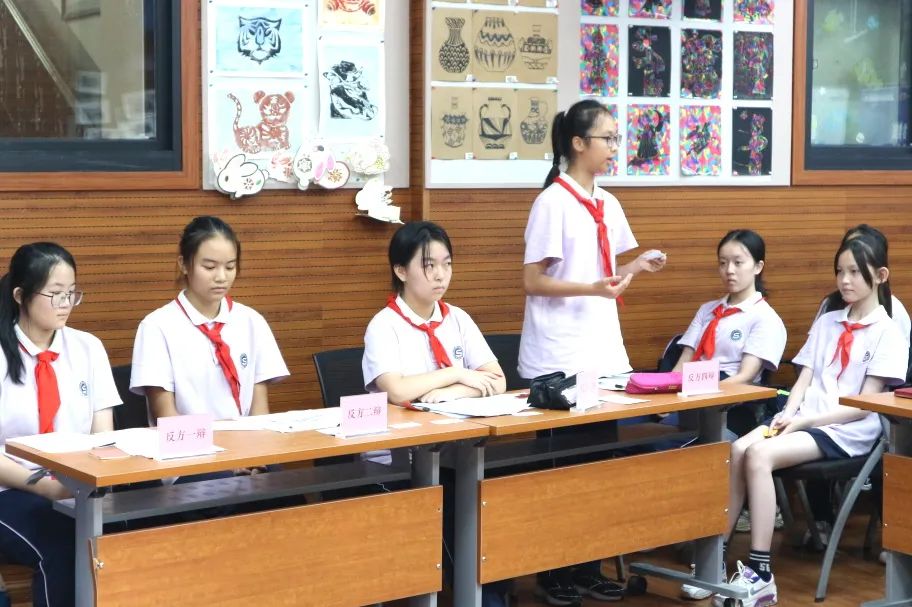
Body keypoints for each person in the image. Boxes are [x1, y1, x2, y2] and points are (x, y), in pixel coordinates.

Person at [519, 98, 666, 605]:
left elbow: (607, 278)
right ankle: (552, 571)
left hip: (601, 351)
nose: (614, 147)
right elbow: (533, 280)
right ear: (578, 143)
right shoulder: (552, 202)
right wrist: (592, 288)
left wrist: (636, 268)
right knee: (560, 468)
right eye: (607, 138)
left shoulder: (608, 202)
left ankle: (588, 565)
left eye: (616, 138)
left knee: (598, 465)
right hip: (558, 357)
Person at [712, 234, 908, 607]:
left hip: (846, 429)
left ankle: (761, 574)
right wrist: (790, 413)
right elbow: (804, 378)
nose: (845, 280)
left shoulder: (889, 332)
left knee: (759, 455)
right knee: (736, 449)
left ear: (880, 275)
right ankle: (714, 558)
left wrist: (805, 422)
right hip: (803, 418)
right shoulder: (828, 321)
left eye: (855, 272)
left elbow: (864, 405)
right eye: (840, 271)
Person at [362, 221, 508, 607]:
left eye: (447, 263)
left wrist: (447, 393)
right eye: (429, 265)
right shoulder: (384, 325)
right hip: (398, 460)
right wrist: (456, 373)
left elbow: (497, 379)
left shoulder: (457, 318)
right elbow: (397, 390)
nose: (441, 274)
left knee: (493, 504)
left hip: (457, 452)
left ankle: (484, 594)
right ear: (400, 270)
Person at [0, 243, 121, 607]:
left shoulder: (88, 348)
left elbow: (104, 437)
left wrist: (89, 483)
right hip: (10, 489)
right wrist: (48, 489)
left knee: (125, 535)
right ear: (20, 295)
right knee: (63, 546)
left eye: (71, 293)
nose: (65, 303)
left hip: (78, 488)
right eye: (55, 294)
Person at [130, 216, 289, 422]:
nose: (221, 277)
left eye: (230, 267)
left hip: (246, 440)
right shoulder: (156, 327)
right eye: (209, 267)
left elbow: (259, 411)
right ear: (184, 265)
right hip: (189, 440)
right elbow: (166, 415)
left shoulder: (252, 321)